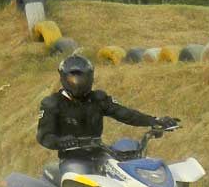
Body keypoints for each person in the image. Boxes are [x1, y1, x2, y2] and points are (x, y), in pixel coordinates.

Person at [36, 54, 177, 179]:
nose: (77, 82)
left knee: (127, 153)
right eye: (73, 77)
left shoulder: (98, 98)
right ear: (63, 77)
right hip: (73, 159)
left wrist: (154, 120)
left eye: (82, 77)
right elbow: (44, 136)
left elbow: (124, 113)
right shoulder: (53, 103)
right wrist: (61, 142)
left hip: (100, 154)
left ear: (91, 77)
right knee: (80, 180)